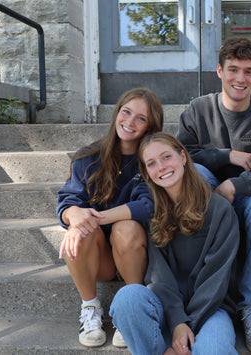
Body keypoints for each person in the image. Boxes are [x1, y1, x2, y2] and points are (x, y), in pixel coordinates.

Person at [177, 36, 251, 353]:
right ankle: (194, 288)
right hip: (206, 198)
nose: (240, 78)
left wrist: (234, 185)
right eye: (233, 69)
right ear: (219, 71)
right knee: (194, 173)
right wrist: (226, 156)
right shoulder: (198, 111)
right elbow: (180, 155)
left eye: (248, 71)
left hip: (245, 200)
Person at [109, 132, 240, 355]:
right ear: (146, 172)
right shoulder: (152, 213)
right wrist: (177, 321)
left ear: (183, 157)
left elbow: (216, 278)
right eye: (151, 163)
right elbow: (159, 278)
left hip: (211, 310)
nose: (161, 167)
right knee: (127, 298)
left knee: (213, 349)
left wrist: (186, 327)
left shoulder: (219, 209)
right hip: (166, 309)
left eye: (166, 157)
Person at [56, 88, 163, 348]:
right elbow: (68, 201)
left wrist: (94, 217)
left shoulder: (152, 160)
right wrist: (75, 216)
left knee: (125, 227)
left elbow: (148, 206)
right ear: (116, 113)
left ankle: (131, 307)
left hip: (138, 255)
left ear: (150, 126)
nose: (129, 122)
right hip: (100, 258)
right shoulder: (88, 157)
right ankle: (90, 308)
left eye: (141, 118)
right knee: (79, 229)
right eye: (126, 112)